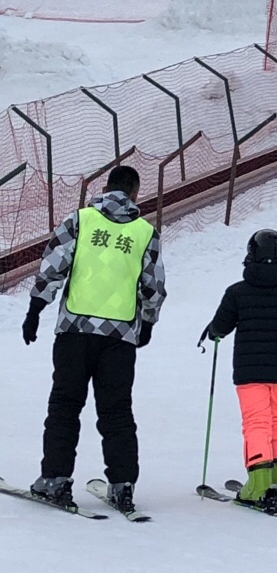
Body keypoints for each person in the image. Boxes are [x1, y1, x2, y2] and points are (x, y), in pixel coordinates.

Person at [22, 164, 166, 515]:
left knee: (65, 405)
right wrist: (147, 323)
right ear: (135, 192)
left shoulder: (81, 219)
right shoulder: (145, 232)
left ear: (107, 187)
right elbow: (153, 286)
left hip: (75, 329)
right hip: (119, 337)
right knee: (117, 411)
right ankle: (123, 485)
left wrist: (35, 309)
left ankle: (55, 479)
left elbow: (53, 265)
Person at [201, 230, 277, 511]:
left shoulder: (237, 292)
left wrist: (211, 332)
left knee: (256, 423)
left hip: (249, 371)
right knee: (275, 420)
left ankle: (258, 486)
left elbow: (221, 326)